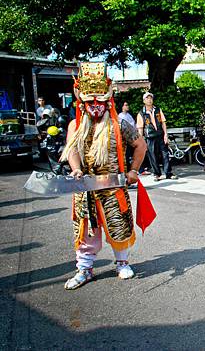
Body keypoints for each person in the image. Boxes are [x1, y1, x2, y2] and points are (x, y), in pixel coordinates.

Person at [59, 62, 148, 290]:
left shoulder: (119, 125)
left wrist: (133, 170)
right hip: (86, 189)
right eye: (90, 102)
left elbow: (141, 146)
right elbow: (73, 150)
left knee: (119, 226)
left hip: (113, 187)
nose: (95, 106)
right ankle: (84, 269)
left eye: (100, 101)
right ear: (82, 102)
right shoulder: (75, 125)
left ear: (107, 100)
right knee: (86, 229)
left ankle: (122, 263)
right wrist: (77, 169)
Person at [136, 92, 177, 181]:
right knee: (152, 156)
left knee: (165, 154)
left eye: (151, 98)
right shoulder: (141, 113)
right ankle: (156, 174)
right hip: (150, 137)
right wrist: (141, 141)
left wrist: (166, 134)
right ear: (144, 101)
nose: (149, 100)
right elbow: (140, 128)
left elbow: (163, 122)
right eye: (147, 98)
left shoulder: (158, 110)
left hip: (160, 135)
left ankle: (168, 173)